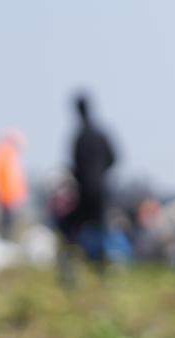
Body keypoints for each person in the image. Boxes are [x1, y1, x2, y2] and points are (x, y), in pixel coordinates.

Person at [68, 93, 118, 262]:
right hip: (101, 188)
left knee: (76, 227)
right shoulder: (101, 134)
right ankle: (101, 261)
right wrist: (101, 173)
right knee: (101, 225)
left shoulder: (80, 137)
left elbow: (74, 165)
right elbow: (114, 158)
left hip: (85, 190)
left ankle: (73, 259)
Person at [0, 130, 28, 241]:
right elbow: (4, 177)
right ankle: (4, 240)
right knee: (7, 223)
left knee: (8, 222)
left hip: (9, 195)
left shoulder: (7, 153)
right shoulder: (5, 153)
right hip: (7, 196)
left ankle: (5, 239)